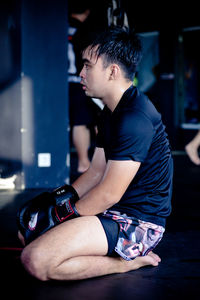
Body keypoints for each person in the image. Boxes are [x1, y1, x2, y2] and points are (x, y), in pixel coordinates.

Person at [18, 27, 173, 281]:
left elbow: (109, 193)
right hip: (111, 212)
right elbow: (95, 172)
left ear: (112, 71)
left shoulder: (135, 118)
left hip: (136, 225)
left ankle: (125, 263)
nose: (81, 73)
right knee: (28, 232)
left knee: (35, 260)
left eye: (88, 66)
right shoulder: (110, 112)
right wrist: (58, 200)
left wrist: (60, 217)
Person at [68, 2, 101, 173]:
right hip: (80, 81)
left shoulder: (58, 25)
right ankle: (86, 163)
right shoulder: (86, 29)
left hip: (58, 82)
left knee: (78, 122)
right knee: (84, 122)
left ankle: (85, 163)